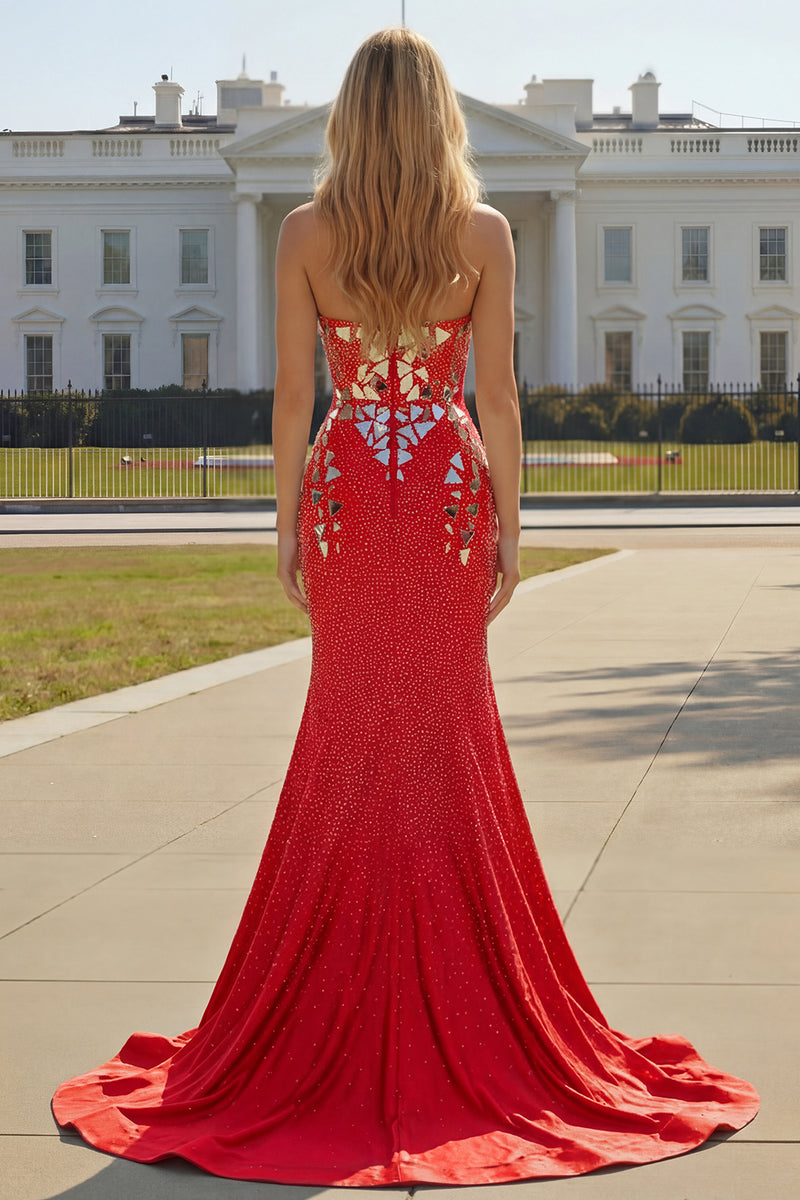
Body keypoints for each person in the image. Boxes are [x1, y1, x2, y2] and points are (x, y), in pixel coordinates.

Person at [52, 28, 759, 1185]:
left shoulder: (303, 232)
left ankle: (338, 982)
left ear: (345, 117)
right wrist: (512, 527)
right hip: (440, 494)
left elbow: (294, 394)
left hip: (345, 494)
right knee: (438, 740)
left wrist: (284, 526)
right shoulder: (479, 233)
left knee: (347, 738)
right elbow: (497, 398)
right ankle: (458, 994)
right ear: (438, 115)